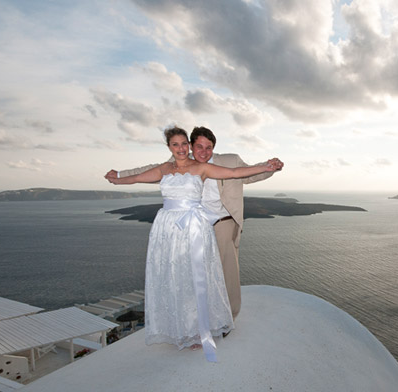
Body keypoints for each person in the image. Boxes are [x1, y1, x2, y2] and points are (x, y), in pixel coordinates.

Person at [106, 126, 281, 362]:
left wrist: (267, 167)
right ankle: (184, 324)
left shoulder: (212, 165)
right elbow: (140, 174)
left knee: (216, 273)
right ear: (180, 146)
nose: (200, 150)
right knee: (183, 275)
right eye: (195, 146)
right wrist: (118, 177)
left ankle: (222, 319)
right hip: (175, 230)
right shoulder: (169, 165)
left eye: (207, 147)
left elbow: (240, 173)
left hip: (212, 222)